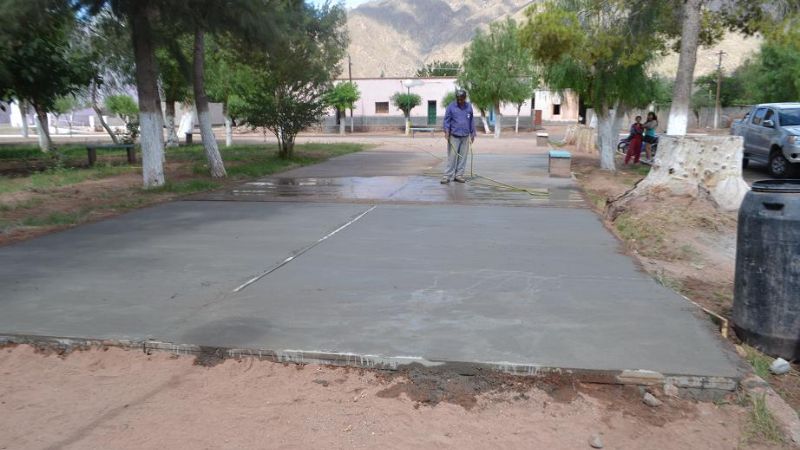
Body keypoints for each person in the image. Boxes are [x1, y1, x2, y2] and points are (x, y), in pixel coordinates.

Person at [442, 89, 476, 183]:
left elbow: (471, 120)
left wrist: (473, 133)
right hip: (454, 135)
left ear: (465, 98)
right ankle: (447, 176)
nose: (460, 101)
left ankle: (459, 175)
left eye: (462, 99)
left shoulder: (469, 106)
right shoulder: (451, 106)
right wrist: (446, 131)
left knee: (462, 157)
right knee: (452, 156)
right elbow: (446, 120)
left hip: (465, 135)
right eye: (458, 99)